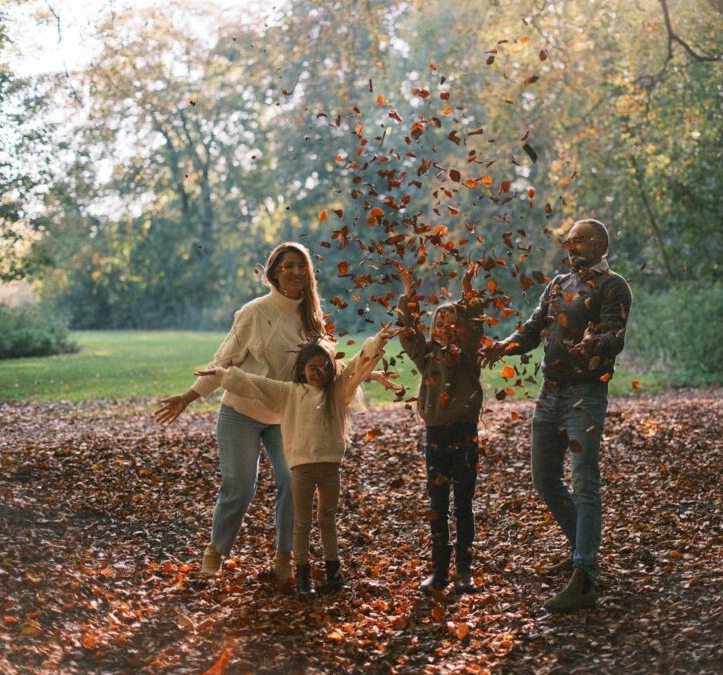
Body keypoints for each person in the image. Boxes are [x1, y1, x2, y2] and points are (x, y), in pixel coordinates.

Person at [481, 219, 631, 613]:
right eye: (568, 240)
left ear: (599, 244)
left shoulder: (614, 285)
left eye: (578, 240)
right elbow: (532, 331)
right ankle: (582, 549)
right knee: (544, 478)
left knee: (584, 482)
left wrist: (593, 344)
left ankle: (584, 575)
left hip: (585, 395)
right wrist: (503, 345)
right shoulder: (557, 285)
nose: (570, 245)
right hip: (550, 394)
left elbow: (616, 337)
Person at [154, 242, 324, 584]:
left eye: (300, 266)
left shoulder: (312, 316)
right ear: (274, 272)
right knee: (239, 486)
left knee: (294, 480)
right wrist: (188, 397)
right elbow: (222, 363)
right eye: (288, 265)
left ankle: (284, 557)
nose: (295, 272)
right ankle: (215, 554)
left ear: (308, 273)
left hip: (283, 416)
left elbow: (322, 367)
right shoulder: (254, 312)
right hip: (240, 414)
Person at [191, 329, 391, 599]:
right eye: (312, 368)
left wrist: (378, 340)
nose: (318, 373)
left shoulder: (338, 391)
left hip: (330, 468)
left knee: (328, 519)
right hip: (302, 470)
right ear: (301, 370)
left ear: (331, 369)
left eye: (323, 367)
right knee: (302, 523)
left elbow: (358, 362)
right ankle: (303, 575)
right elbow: (253, 384)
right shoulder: (290, 393)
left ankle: (333, 571)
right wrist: (222, 375)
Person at [395, 262, 484, 595]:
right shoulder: (428, 357)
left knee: (463, 504)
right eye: (439, 322)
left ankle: (464, 571)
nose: (445, 326)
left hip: (464, 434)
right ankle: (439, 571)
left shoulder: (469, 355)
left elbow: (476, 327)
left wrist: (468, 290)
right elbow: (408, 334)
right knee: (437, 504)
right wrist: (407, 295)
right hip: (436, 438)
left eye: (452, 322)